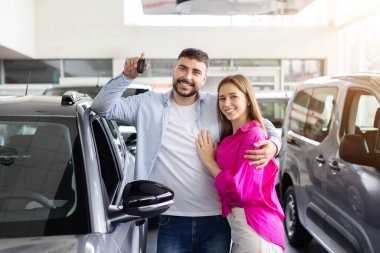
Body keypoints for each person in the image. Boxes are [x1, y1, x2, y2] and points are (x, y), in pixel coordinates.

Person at [92, 48, 282, 253]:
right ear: (174, 69)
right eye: (183, 68)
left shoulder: (216, 103)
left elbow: (259, 121)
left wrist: (274, 144)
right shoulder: (147, 104)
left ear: (204, 78)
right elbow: (102, 107)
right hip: (171, 218)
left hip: (217, 218)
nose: (187, 76)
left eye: (196, 72)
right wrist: (126, 77)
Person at [196, 74, 285, 253]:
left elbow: (241, 191)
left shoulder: (254, 136)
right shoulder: (232, 136)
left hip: (256, 227)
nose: (226, 103)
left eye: (233, 96)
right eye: (222, 98)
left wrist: (209, 162)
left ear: (248, 99)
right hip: (241, 229)